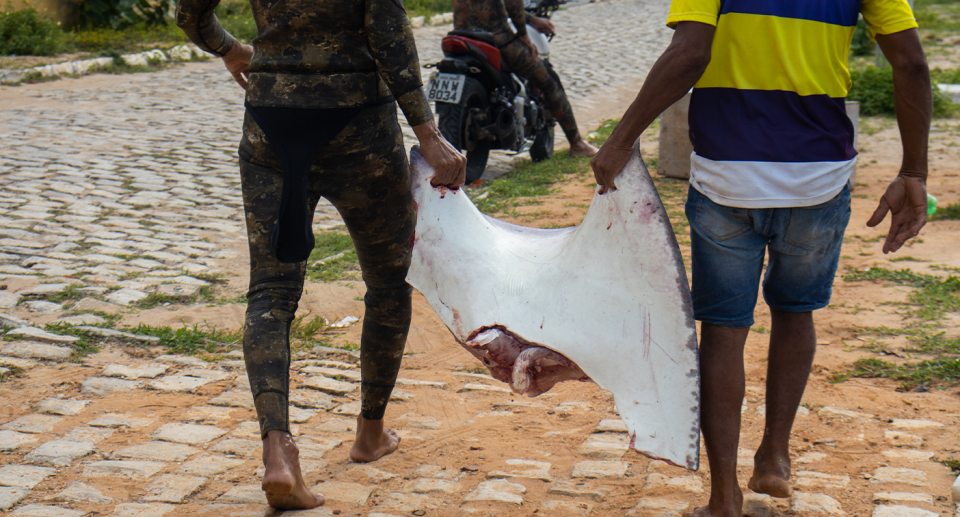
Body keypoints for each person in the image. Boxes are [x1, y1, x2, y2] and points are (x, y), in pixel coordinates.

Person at [591, 1, 930, 515]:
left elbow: (688, 54)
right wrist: (914, 172)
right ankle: (774, 457)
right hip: (818, 178)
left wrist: (620, 139)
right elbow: (910, 63)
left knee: (725, 329)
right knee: (796, 312)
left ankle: (724, 496)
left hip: (727, 178)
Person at [175, 0, 466, 509]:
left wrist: (230, 48)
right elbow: (390, 40)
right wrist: (430, 134)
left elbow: (189, 11)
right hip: (360, 129)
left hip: (272, 123)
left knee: (271, 292)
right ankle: (370, 432)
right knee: (388, 283)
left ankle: (278, 449)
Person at [453, 0, 598, 157]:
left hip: (461, 35)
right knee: (549, 82)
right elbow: (512, 3)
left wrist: (532, 20)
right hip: (497, 38)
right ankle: (577, 144)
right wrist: (524, 35)